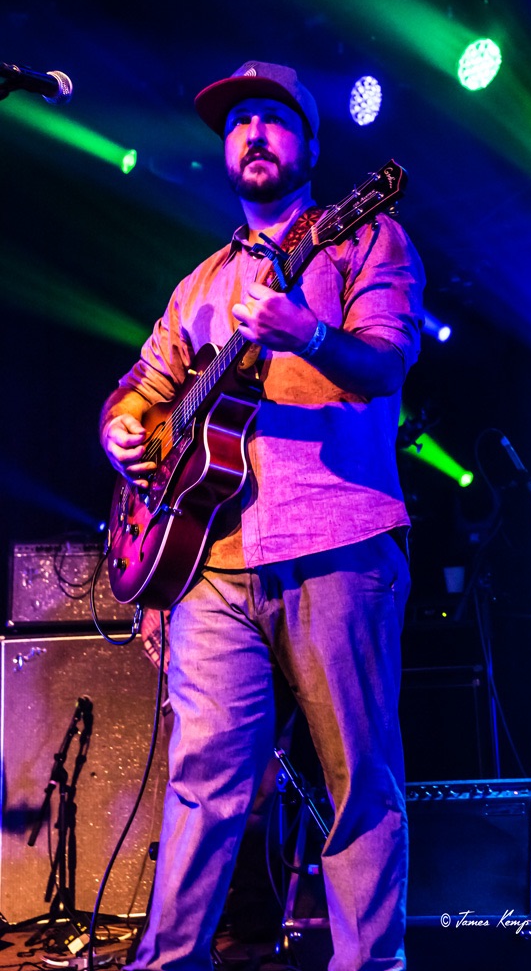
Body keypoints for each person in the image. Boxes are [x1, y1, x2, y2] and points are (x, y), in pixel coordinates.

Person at [99, 60, 425, 971]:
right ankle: (168, 962)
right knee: (202, 784)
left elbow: (386, 363)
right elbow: (142, 387)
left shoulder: (366, 239)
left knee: (357, 780)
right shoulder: (199, 283)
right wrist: (122, 429)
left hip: (339, 545)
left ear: (310, 146)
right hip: (212, 560)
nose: (252, 133)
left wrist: (308, 334)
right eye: (238, 121)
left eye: (274, 119)